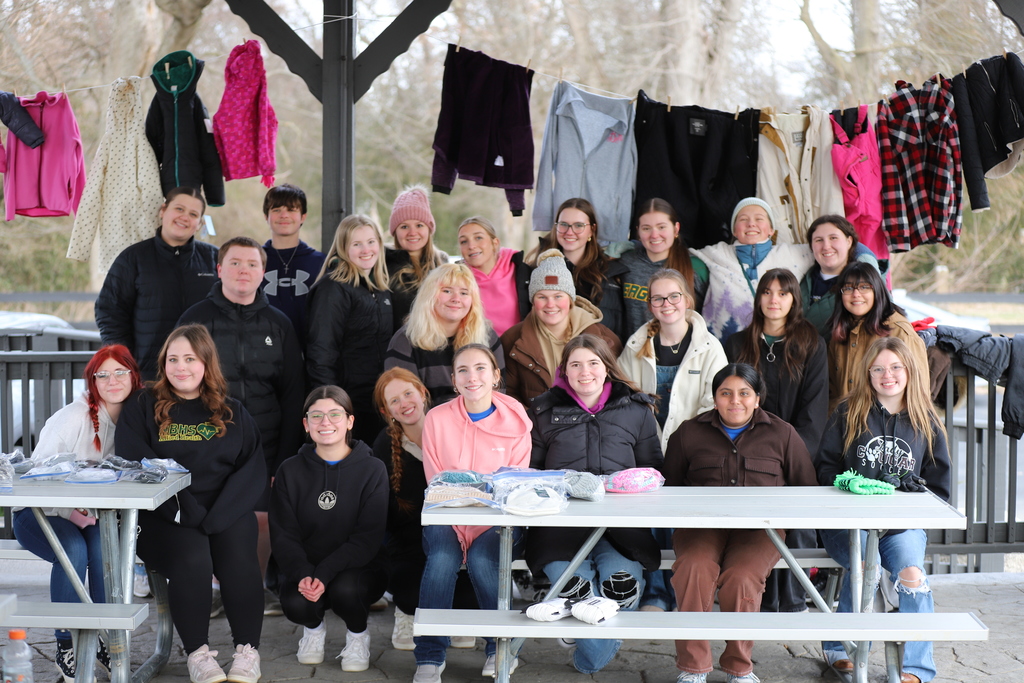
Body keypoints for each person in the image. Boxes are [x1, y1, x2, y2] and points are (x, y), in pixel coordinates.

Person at [116, 324, 266, 683]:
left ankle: (247, 651)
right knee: (193, 556)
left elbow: (252, 468)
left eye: (190, 359)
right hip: (163, 514)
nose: (181, 367)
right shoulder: (143, 406)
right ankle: (198, 654)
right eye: (173, 359)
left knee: (239, 553)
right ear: (163, 364)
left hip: (223, 511)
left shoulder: (232, 411)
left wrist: (217, 518)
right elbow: (137, 461)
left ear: (206, 363)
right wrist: (185, 510)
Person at [663, 364, 817, 683]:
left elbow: (807, 489)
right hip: (699, 527)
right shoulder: (688, 433)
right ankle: (693, 667)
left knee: (743, 576)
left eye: (744, 393)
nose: (735, 401)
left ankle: (739, 667)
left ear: (757, 398)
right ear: (715, 398)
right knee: (694, 567)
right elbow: (668, 489)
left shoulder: (783, 434)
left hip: (760, 530)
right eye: (726, 393)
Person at [178, 235, 305, 614]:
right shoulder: (195, 320)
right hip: (210, 440)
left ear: (263, 272)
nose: (243, 270)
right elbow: (179, 383)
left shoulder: (279, 323)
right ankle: (216, 588)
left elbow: (293, 393)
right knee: (212, 516)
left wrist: (285, 455)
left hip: (265, 441)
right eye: (235, 263)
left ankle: (255, 585)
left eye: (252, 264)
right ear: (220, 269)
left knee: (261, 519)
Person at [816, 337, 951, 683]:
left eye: (894, 367)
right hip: (848, 524)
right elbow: (824, 468)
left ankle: (917, 667)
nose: (886, 375)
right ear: (868, 374)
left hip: (901, 527)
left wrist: (915, 489)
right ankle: (843, 647)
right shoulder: (847, 412)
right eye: (878, 369)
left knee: (913, 576)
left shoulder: (927, 421)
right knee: (866, 565)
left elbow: (939, 489)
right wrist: (850, 482)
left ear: (909, 371)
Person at [529, 334, 662, 674]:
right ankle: (584, 639)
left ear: (607, 368)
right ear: (564, 371)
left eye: (593, 363)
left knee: (622, 588)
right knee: (575, 590)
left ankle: (586, 651)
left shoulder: (637, 411)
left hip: (622, 529)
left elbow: (653, 472)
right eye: (575, 364)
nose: (584, 372)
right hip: (561, 529)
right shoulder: (544, 412)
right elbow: (532, 474)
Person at [12, 345, 143, 683]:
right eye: (103, 375)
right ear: (92, 381)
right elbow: (34, 479)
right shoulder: (73, 418)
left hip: (88, 517)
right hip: (37, 513)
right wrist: (72, 507)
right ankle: (66, 644)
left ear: (133, 376)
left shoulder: (135, 418)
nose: (113, 381)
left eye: (120, 372)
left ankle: (106, 639)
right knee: (73, 550)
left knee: (103, 547)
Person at [412, 343, 532, 683]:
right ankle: (430, 655)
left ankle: (500, 647)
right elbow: (437, 482)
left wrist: (478, 509)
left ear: (495, 376)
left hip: (499, 518)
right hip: (447, 514)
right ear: (453, 380)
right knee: (442, 558)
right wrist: (463, 511)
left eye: (480, 368)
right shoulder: (436, 419)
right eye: (462, 370)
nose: (472, 377)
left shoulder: (517, 421)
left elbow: (513, 484)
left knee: (482, 559)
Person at [724, 268, 828, 615]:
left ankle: (794, 601)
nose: (774, 299)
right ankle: (759, 600)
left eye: (783, 293)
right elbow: (732, 405)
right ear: (757, 299)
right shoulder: (737, 344)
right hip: (747, 454)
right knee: (754, 528)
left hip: (797, 453)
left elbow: (814, 411)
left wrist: (790, 458)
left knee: (797, 519)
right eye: (767, 292)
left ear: (794, 300)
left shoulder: (811, 344)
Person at [269, 385, 388, 673]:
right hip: (306, 566)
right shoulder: (289, 470)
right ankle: (313, 629)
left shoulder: (372, 469)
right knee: (297, 603)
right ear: (306, 424)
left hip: (357, 567)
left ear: (350, 421)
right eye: (316, 415)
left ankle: (358, 635)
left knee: (346, 590)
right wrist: (304, 574)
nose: (325, 422)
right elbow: (284, 534)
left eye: (335, 414)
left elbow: (367, 538)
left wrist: (324, 573)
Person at [371, 369, 478, 653]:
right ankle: (406, 613)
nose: (404, 403)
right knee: (411, 594)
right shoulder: (384, 445)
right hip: (409, 544)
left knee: (472, 596)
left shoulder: (452, 429)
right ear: (386, 411)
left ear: (422, 393)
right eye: (394, 400)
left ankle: (456, 616)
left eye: (408, 393)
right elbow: (382, 513)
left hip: (456, 540)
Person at [95, 186, 218, 380]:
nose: (185, 217)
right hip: (150, 376)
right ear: (163, 211)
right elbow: (110, 312)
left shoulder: (214, 259)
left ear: (199, 223)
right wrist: (126, 362)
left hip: (204, 376)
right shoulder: (133, 258)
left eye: (193, 214)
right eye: (179, 209)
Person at [306, 214, 394, 444]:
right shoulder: (333, 288)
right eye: (357, 244)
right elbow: (321, 352)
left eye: (371, 242)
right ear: (343, 248)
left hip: (378, 401)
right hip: (349, 404)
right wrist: (332, 406)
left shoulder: (380, 288)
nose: (366, 250)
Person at [618, 268, 727, 452]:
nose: (666, 303)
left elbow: (714, 402)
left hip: (693, 447)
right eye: (658, 298)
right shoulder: (635, 346)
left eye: (674, 296)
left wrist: (690, 442)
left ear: (687, 300)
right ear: (650, 305)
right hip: (644, 446)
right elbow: (622, 396)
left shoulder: (710, 348)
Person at [501, 249, 621, 408]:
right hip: (535, 422)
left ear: (570, 299)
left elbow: (618, 390)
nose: (550, 305)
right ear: (533, 301)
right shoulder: (512, 339)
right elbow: (508, 393)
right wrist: (533, 419)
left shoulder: (604, 338)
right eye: (542, 297)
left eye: (558, 296)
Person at [690, 197, 815, 341]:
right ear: (734, 231)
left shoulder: (793, 255)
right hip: (725, 347)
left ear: (771, 230)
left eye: (759, 219)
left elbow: (827, 251)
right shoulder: (717, 254)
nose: (751, 224)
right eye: (743, 219)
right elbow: (679, 256)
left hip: (779, 345)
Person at [384, 262, 503, 405]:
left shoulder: (487, 336)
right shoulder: (404, 341)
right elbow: (406, 405)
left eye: (464, 293)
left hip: (481, 417)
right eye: (447, 291)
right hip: (428, 419)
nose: (456, 299)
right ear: (430, 295)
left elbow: (499, 393)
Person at [826, 261, 929, 414]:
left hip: (888, 425)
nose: (856, 294)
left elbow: (919, 392)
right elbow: (833, 391)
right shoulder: (840, 333)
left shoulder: (899, 331)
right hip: (846, 423)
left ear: (877, 290)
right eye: (848, 288)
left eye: (864, 287)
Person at [533, 197, 627, 342]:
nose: (569, 232)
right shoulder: (538, 270)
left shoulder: (612, 274)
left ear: (592, 230)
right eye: (563, 224)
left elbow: (619, 326)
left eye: (578, 225)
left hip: (598, 352)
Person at [619, 198, 705, 334]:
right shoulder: (625, 261)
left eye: (661, 227)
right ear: (638, 231)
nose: (654, 235)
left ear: (676, 229)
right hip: (632, 346)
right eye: (646, 228)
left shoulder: (696, 267)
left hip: (679, 346)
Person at [261, 184, 326, 353]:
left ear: (303, 217)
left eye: (291, 209)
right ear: (266, 216)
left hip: (309, 353)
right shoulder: (254, 261)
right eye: (276, 209)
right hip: (262, 351)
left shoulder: (321, 263)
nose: (284, 215)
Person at [800, 215, 881, 335]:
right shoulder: (801, 278)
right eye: (818, 240)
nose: (826, 246)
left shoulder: (863, 287)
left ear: (849, 242)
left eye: (833, 238)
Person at [456, 216, 533, 336]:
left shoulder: (522, 272)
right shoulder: (456, 279)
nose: (471, 246)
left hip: (520, 344)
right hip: (476, 345)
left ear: (495, 243)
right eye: (464, 241)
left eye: (478, 238)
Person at [386, 186, 449, 328]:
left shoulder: (442, 263)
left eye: (419, 225)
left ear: (429, 229)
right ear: (395, 232)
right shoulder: (382, 263)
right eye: (404, 227)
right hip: (396, 340)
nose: (412, 232)